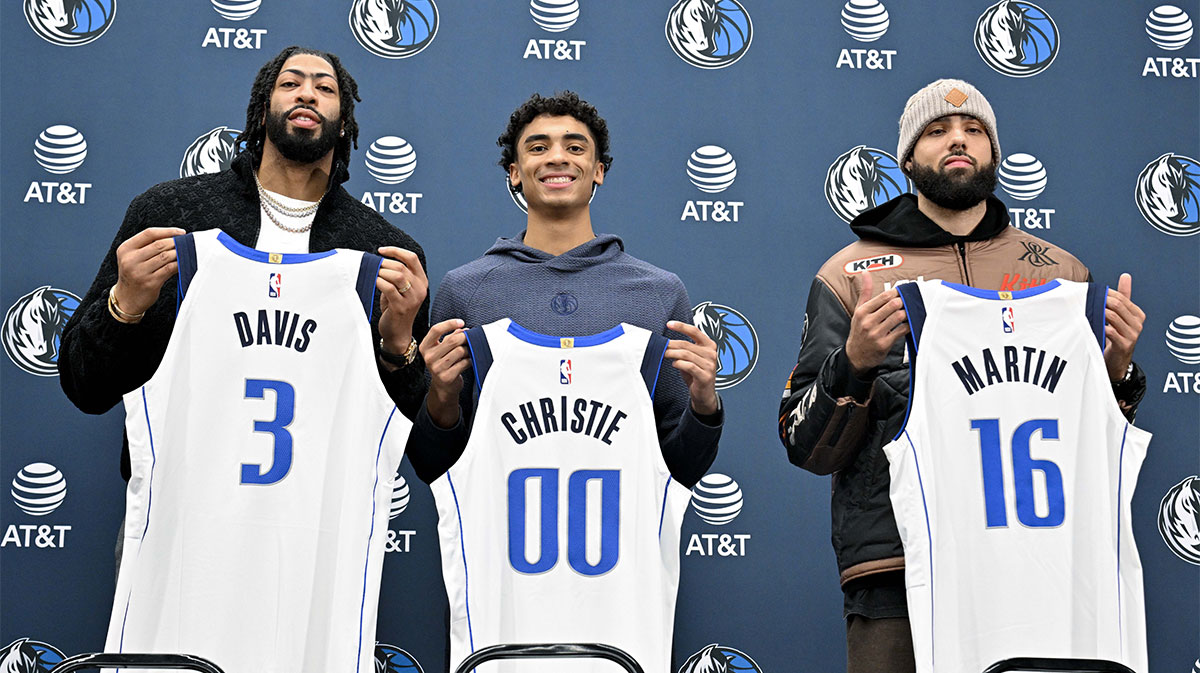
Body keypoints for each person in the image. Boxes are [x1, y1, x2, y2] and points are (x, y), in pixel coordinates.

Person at [776, 78, 1147, 672]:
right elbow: (804, 443)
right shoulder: (851, 275)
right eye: (937, 130)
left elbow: (1095, 438)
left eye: (974, 130)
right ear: (906, 158)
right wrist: (857, 362)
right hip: (898, 569)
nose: (958, 140)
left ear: (994, 153)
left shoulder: (1060, 271)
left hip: (1042, 561)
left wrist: (1116, 375)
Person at [58, 45, 431, 486]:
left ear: (345, 122)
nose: (307, 94)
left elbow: (409, 433)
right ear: (260, 113)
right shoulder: (171, 214)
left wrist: (398, 348)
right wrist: (124, 307)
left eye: (324, 88)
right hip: (175, 514)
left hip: (316, 523)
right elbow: (86, 388)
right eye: (290, 84)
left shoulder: (382, 252)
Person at [408, 90, 722, 487]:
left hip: (625, 543)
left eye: (575, 147)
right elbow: (434, 466)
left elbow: (682, 471)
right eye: (538, 147)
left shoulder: (657, 292)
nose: (557, 157)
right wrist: (442, 397)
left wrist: (705, 404)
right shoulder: (466, 290)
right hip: (495, 544)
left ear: (598, 170)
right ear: (515, 173)